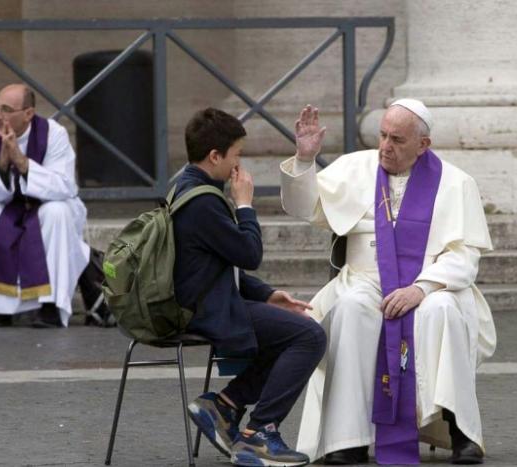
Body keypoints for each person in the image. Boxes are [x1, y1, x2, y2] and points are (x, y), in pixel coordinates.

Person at [280, 100, 496, 465]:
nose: (385, 146)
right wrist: (304, 160)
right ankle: (346, 438)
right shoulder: (354, 168)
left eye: (396, 139)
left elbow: (465, 257)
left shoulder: (457, 183)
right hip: (365, 280)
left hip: (429, 286)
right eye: (382, 135)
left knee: (442, 310)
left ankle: (461, 431)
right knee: (349, 307)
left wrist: (421, 288)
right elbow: (304, 207)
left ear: (423, 145)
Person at [176, 108, 327, 467]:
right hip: (206, 311)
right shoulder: (203, 202)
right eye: (237, 155)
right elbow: (248, 254)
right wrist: (244, 204)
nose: (238, 165)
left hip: (203, 301)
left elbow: (215, 263)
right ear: (215, 156)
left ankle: (225, 406)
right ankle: (259, 433)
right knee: (309, 337)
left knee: (286, 329)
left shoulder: (185, 186)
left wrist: (266, 295)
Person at [0, 84, 97, 328]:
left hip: (47, 204)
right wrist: (1, 164)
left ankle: (51, 305)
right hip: (8, 203)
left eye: (6, 110)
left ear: (28, 114)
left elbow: (63, 186)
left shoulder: (54, 134)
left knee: (57, 212)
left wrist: (21, 162)